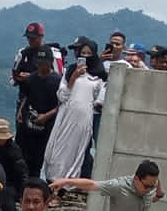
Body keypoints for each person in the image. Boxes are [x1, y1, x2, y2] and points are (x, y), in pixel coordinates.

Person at [44, 49, 104, 182]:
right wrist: (74, 76)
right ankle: (52, 180)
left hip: (84, 118)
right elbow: (62, 95)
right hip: (66, 116)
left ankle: (67, 184)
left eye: (89, 53)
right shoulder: (69, 71)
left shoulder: (99, 77)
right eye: (82, 53)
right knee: (57, 150)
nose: (85, 56)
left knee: (76, 151)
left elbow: (99, 100)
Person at [15, 49, 61, 179]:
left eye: (44, 63)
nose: (41, 66)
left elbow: (62, 105)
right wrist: (20, 112)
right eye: (38, 63)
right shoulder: (31, 79)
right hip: (29, 121)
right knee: (22, 156)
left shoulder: (57, 81)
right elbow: (26, 96)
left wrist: (46, 116)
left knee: (38, 159)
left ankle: (35, 183)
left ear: (50, 63)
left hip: (47, 125)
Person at [11, 21, 62, 101]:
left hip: (47, 100)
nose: (30, 41)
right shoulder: (22, 53)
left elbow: (58, 80)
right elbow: (13, 79)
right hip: (25, 99)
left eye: (33, 38)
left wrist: (31, 77)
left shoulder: (53, 54)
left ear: (41, 37)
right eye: (28, 38)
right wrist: (19, 78)